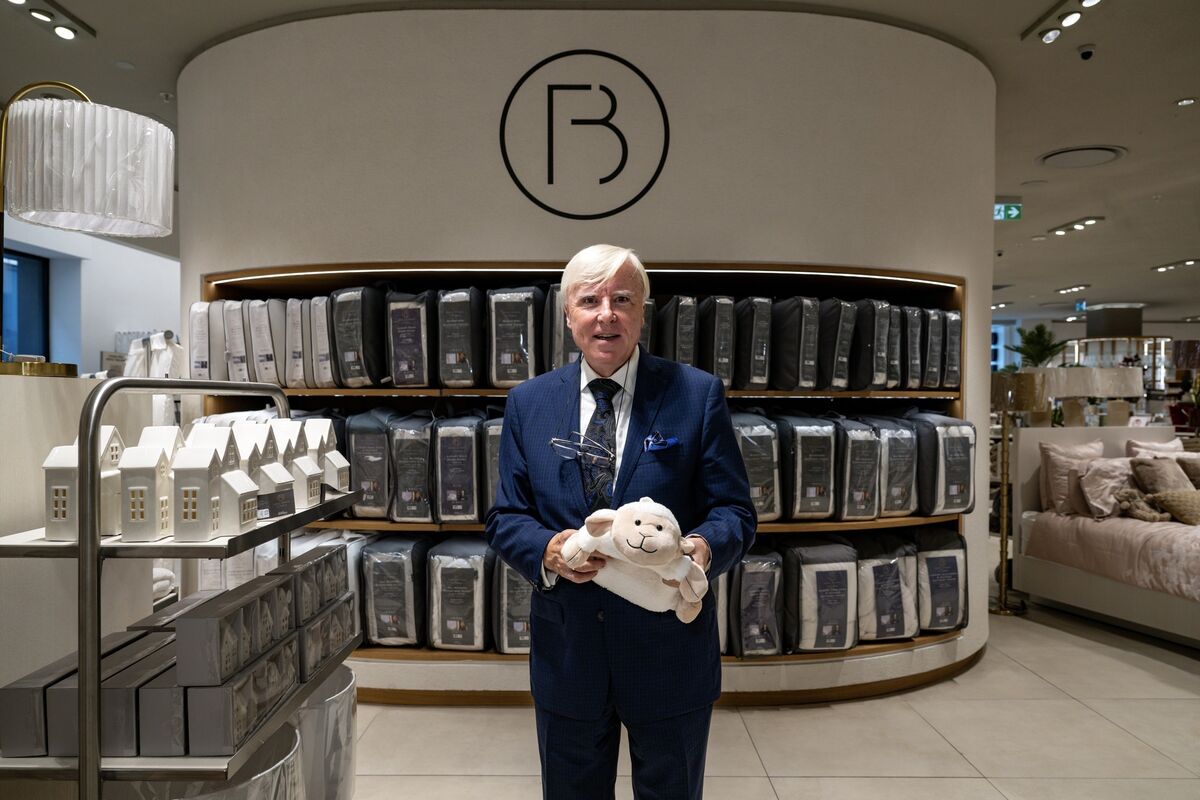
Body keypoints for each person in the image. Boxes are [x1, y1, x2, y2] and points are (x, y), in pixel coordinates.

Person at [485, 244, 756, 799]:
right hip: (569, 654)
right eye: (590, 300)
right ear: (568, 315)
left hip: (669, 654)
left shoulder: (695, 394)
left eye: (621, 299)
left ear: (642, 311)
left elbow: (735, 511)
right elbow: (505, 515)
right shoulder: (528, 403)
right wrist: (550, 550)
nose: (606, 313)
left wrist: (701, 548)